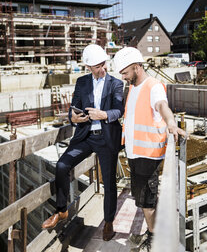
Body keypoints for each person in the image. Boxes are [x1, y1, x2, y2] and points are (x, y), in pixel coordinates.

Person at [42, 44, 124, 241]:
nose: (101, 68)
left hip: (106, 139)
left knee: (109, 183)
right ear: (88, 67)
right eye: (97, 66)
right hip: (85, 136)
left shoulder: (116, 84)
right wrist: (74, 118)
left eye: (103, 63)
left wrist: (103, 114)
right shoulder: (82, 82)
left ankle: (108, 222)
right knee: (62, 165)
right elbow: (74, 109)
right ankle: (61, 210)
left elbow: (119, 110)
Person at [113, 47, 186, 252]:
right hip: (135, 152)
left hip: (148, 153)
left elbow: (162, 105)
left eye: (126, 72)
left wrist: (171, 121)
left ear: (137, 67)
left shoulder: (153, 86)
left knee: (147, 198)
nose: (124, 77)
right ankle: (154, 230)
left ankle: (154, 238)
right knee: (142, 197)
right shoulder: (134, 87)